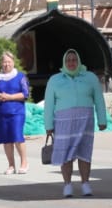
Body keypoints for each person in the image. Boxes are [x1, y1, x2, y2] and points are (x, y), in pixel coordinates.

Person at [43, 49, 107, 198]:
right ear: (64, 63)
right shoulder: (55, 80)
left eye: (74, 60)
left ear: (78, 61)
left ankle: (85, 183)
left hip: (85, 122)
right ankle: (67, 185)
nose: (71, 63)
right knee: (66, 154)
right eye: (68, 60)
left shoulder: (90, 78)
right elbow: (49, 104)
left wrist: (102, 120)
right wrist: (48, 126)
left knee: (85, 153)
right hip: (63, 124)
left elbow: (99, 99)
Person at [0, 50, 30, 174]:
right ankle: (11, 165)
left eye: (9, 62)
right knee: (6, 140)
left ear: (13, 62)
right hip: (1, 112)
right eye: (4, 62)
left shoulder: (20, 77)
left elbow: (25, 94)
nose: (6, 64)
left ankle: (24, 162)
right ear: (1, 63)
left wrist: (9, 97)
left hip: (16, 112)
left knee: (17, 137)